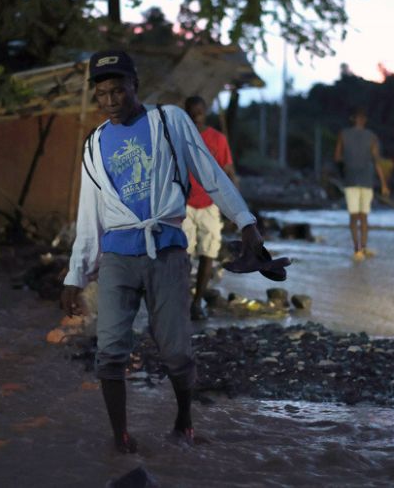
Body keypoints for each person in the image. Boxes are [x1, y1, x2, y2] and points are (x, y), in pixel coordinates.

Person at [61, 50, 264, 453]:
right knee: (110, 351)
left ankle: (184, 421)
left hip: (167, 251)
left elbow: (210, 172)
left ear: (135, 85)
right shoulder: (95, 144)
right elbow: (90, 216)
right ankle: (120, 437)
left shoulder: (168, 121)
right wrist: (74, 275)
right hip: (118, 257)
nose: (111, 100)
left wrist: (246, 222)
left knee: (175, 351)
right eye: (102, 94)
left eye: (118, 90)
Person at [181, 96, 237, 320]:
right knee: (182, 256)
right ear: (186, 113)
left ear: (206, 112)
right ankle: (182, 301)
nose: (196, 118)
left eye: (200, 113)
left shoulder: (218, 139)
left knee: (208, 253)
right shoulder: (178, 138)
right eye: (192, 114)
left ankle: (196, 303)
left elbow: (229, 171)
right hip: (183, 204)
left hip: (210, 204)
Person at [333, 108, 390, 262]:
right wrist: (384, 184)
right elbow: (377, 161)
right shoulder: (371, 137)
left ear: (353, 119)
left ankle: (358, 249)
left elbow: (337, 157)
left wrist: (348, 163)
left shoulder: (343, 134)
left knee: (354, 216)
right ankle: (362, 248)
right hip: (366, 180)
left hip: (351, 179)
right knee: (363, 216)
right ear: (364, 120)